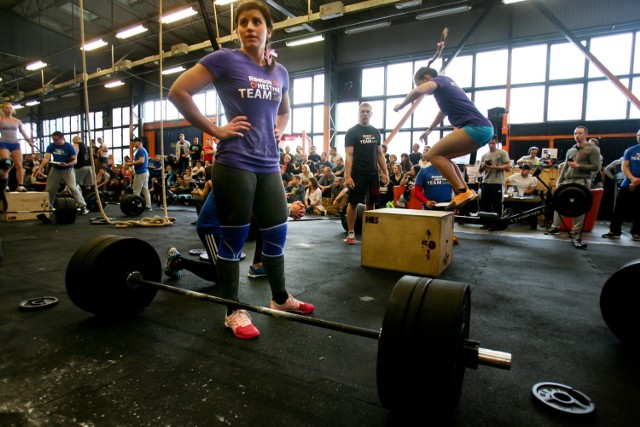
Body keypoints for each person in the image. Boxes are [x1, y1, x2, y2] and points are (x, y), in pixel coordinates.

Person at [168, 0, 314, 339]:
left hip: (268, 164)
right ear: (237, 30)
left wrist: (280, 126)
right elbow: (179, 91)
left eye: (257, 21)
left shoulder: (280, 72)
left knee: (277, 233)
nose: (250, 27)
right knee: (232, 241)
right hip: (234, 162)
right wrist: (215, 130)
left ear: (268, 29)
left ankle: (280, 299)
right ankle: (233, 311)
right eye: (243, 22)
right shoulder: (224, 60)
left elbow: (285, 109)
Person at [394, 66, 494, 211]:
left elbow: (418, 91)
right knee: (445, 157)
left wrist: (401, 105)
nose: (420, 87)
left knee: (433, 155)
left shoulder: (439, 81)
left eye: (419, 83)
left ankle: (461, 191)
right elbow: (443, 111)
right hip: (485, 129)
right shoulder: (445, 89)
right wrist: (429, 130)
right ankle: (467, 191)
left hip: (476, 127)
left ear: (427, 78)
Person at [343, 102, 389, 244]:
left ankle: (370, 233)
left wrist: (385, 173)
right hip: (358, 173)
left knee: (372, 204)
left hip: (372, 173)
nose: (365, 114)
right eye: (362, 111)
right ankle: (351, 234)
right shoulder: (352, 132)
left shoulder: (376, 132)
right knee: (353, 203)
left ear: (371, 114)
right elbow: (349, 155)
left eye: (367, 111)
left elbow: (380, 154)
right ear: (358, 113)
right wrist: (348, 175)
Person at [547, 126, 602, 236]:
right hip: (567, 180)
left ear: (586, 134)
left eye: (580, 133)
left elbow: (596, 167)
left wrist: (578, 166)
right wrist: (559, 181)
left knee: (579, 206)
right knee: (559, 202)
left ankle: (575, 230)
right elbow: (566, 168)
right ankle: (555, 227)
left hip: (582, 180)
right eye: (575, 133)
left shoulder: (592, 149)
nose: (577, 135)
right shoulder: (571, 150)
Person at [33, 131, 89, 215]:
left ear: (62, 138)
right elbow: (46, 158)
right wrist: (39, 169)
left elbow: (75, 160)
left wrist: (66, 164)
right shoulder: (51, 146)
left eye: (56, 140)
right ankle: (49, 207)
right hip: (55, 169)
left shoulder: (69, 147)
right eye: (53, 139)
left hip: (68, 169)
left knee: (73, 187)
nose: (54, 141)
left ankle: (83, 206)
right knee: (50, 189)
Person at [602, 128, 640, 241]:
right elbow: (624, 166)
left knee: (639, 210)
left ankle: (637, 232)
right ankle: (615, 230)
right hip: (627, 183)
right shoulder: (631, 150)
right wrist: (632, 179)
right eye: (638, 135)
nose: (639, 137)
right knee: (619, 208)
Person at [0, 102, 36, 192]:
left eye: (10, 108)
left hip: (15, 143)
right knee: (7, 164)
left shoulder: (17, 121)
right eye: (7, 108)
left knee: (19, 165)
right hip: (4, 143)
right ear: (3, 109)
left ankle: (21, 185)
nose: (9, 110)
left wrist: (29, 141)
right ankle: (5, 185)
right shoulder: (0, 119)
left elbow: (23, 132)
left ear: (13, 110)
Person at [479, 137, 510, 217]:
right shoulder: (484, 155)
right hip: (486, 183)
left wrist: (495, 167)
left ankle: (497, 223)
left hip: (497, 183)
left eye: (493, 143)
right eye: (489, 143)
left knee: (497, 204)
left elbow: (507, 167)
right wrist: (483, 166)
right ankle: (485, 223)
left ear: (496, 143)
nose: (491, 145)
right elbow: (480, 171)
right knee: (485, 204)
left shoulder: (502, 153)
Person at [125, 137, 152, 211]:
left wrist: (131, 163)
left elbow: (141, 161)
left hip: (141, 172)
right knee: (145, 190)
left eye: (134, 142)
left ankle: (135, 206)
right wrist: (132, 161)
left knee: (136, 190)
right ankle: (148, 206)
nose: (133, 143)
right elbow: (140, 161)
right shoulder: (143, 150)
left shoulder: (140, 150)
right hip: (144, 172)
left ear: (139, 142)